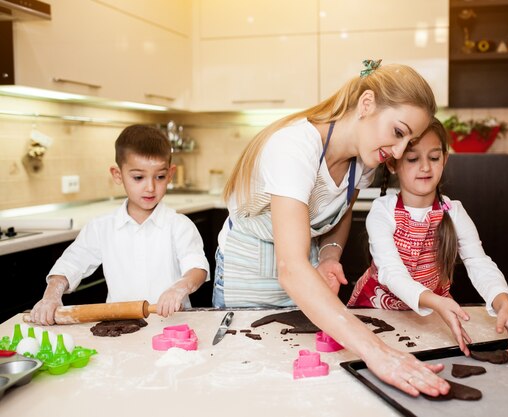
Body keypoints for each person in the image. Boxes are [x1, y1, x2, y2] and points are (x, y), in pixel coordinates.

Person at [214, 60, 450, 397]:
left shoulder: (363, 163)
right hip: (250, 273)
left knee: (299, 376)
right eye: (398, 133)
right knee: (251, 379)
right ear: (366, 104)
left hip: (302, 269)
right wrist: (378, 353)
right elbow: (290, 268)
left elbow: (341, 212)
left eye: (407, 142)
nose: (397, 151)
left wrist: (328, 256)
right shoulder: (294, 147)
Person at [348, 118, 508, 357]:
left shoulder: (454, 212)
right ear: (392, 164)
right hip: (377, 314)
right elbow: (391, 272)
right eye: (412, 158)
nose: (426, 167)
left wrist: (503, 300)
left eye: (434, 157)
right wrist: (434, 301)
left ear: (445, 159)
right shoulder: (382, 211)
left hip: (431, 315)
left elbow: (479, 262)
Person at [29, 125, 210, 325]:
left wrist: (180, 287)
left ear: (170, 174)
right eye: (138, 177)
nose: (150, 187)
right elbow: (70, 264)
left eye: (159, 177)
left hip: (174, 328)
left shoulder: (179, 225)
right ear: (117, 174)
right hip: (120, 330)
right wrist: (51, 296)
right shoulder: (101, 228)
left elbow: (197, 269)